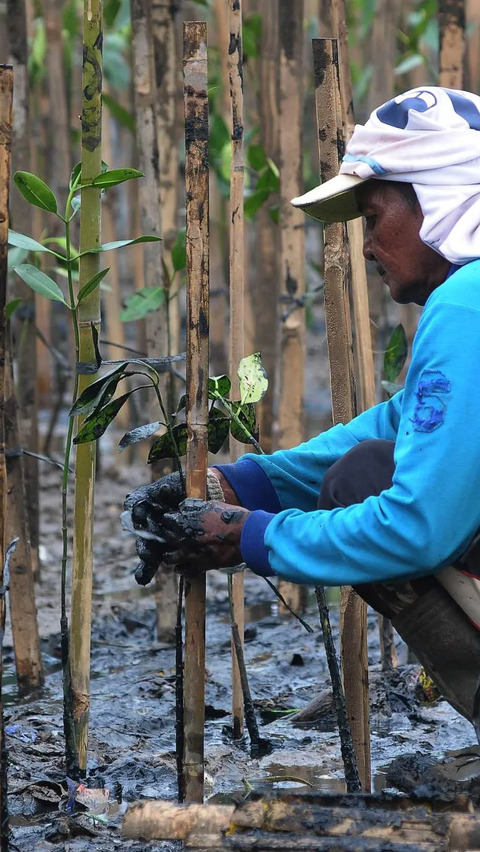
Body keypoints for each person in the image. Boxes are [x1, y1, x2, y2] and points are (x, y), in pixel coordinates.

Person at [124, 87, 480, 727]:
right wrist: (249, 483)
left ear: (443, 198)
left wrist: (252, 538)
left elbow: (418, 528)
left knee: (362, 484)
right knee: (368, 466)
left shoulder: (467, 304)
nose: (366, 246)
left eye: (372, 218)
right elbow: (407, 424)